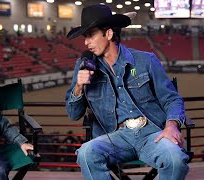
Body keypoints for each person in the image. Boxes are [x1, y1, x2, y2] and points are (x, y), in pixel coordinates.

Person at [65, 4, 189, 180]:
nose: (86, 42)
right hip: (115, 137)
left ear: (108, 34)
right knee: (86, 153)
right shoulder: (83, 66)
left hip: (152, 134)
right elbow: (73, 114)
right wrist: (78, 86)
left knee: (176, 159)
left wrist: (171, 126)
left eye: (91, 35)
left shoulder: (146, 60)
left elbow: (172, 99)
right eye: (85, 37)